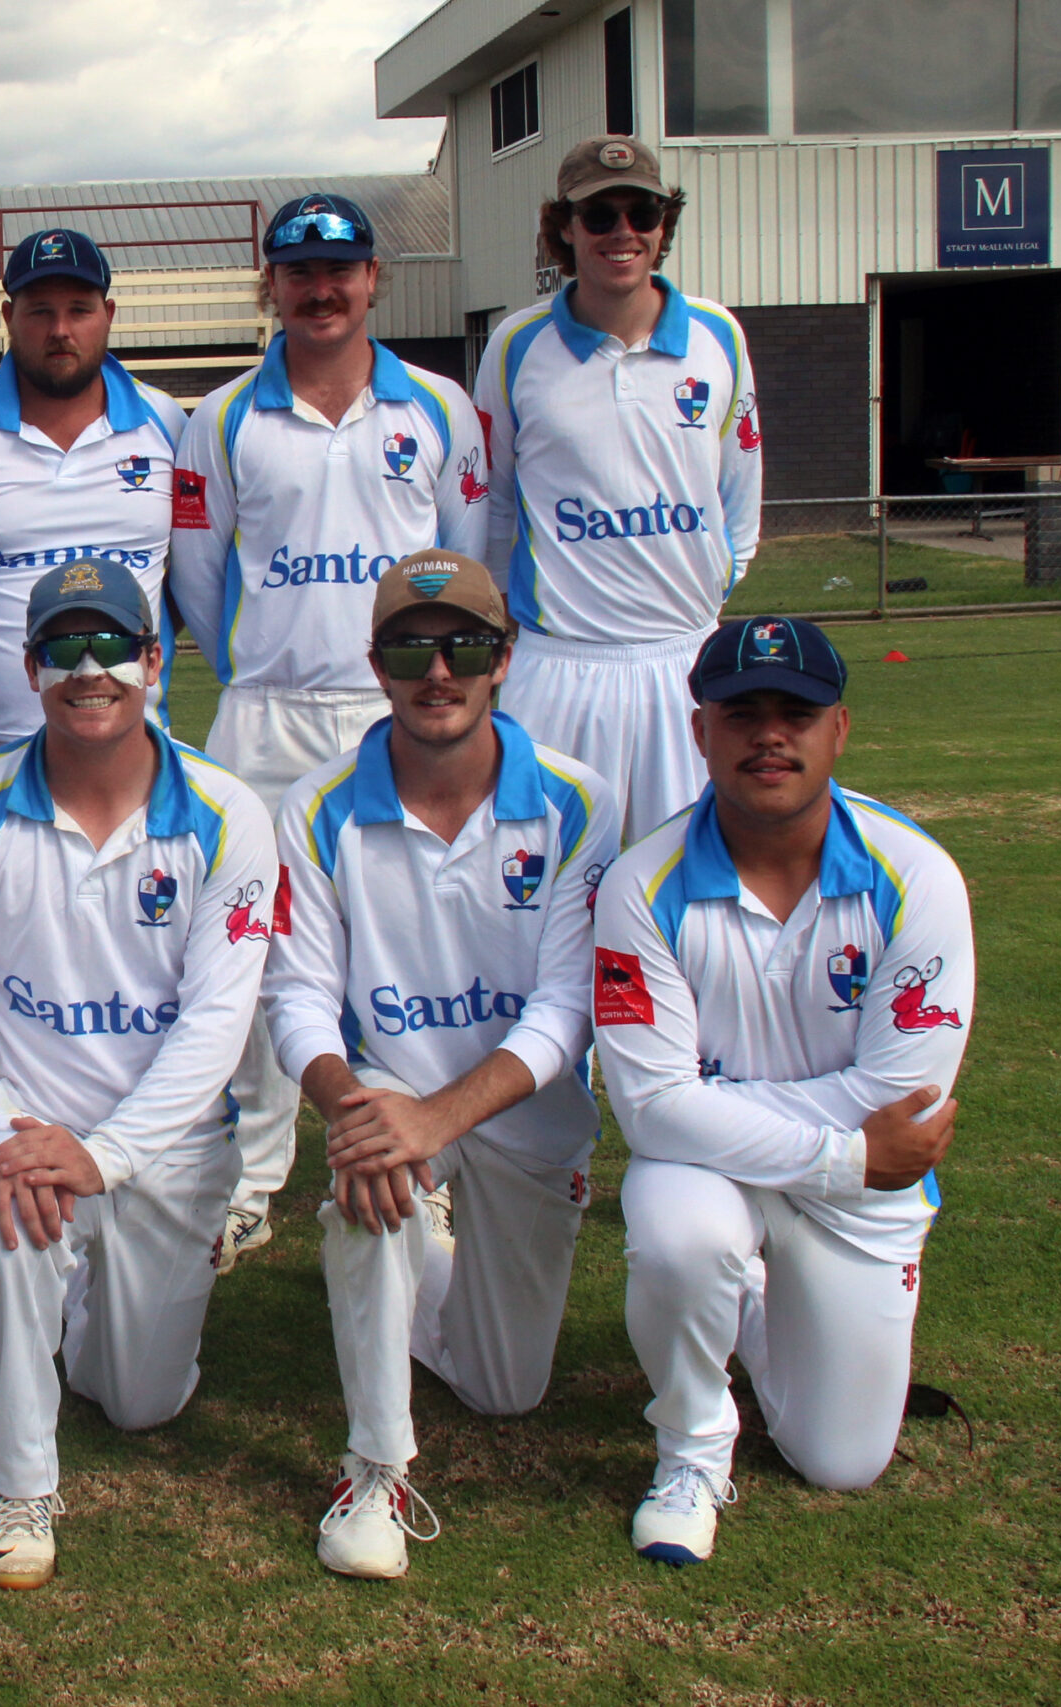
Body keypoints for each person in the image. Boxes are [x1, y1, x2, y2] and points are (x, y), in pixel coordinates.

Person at [0, 559, 276, 1591]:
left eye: (112, 644)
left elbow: (218, 1018)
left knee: (142, 1401)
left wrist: (104, 1155)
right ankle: (20, 1480)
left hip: (164, 1152)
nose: (89, 668)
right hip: (22, 1135)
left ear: (155, 661)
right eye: (63, 648)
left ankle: (89, 1314)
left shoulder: (231, 811)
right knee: (2, 1229)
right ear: (29, 669)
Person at [265, 552, 616, 1580]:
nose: (438, 672)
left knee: (507, 1390)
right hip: (391, 1099)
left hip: (520, 1118)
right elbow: (294, 999)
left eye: (464, 645)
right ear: (374, 664)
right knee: (371, 1168)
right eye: (411, 647)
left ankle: (413, 1254)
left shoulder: (576, 802)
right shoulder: (317, 807)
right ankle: (375, 1469)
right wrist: (354, 1108)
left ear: (503, 658)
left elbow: (565, 1011)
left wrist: (439, 1120)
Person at [594, 617, 971, 1567]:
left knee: (840, 1460)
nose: (771, 734)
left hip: (855, 1197)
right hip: (790, 1168)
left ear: (838, 729)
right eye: (743, 711)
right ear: (700, 731)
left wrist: (714, 1105)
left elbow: (905, 1096)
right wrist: (843, 1148)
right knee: (681, 1234)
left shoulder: (916, 875)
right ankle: (690, 1450)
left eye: (795, 713)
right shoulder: (643, 884)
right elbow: (647, 1109)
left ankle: (757, 1308)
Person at [169, 191, 490, 1270]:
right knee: (254, 952)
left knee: (395, 940)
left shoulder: (437, 407)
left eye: (341, 269)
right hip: (264, 712)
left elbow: (463, 566)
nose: (321, 289)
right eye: (299, 272)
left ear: (371, 281)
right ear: (271, 283)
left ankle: (419, 1161)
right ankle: (251, 1178)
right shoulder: (218, 419)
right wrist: (268, 663)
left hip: (393, 705)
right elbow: (202, 576)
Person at [474, 135, 764, 846]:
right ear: (565, 228)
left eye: (643, 211)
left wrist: (703, 597)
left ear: (665, 224)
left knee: (684, 887)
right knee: (545, 891)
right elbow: (495, 506)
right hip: (560, 664)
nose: (623, 232)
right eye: (599, 215)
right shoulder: (517, 346)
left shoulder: (717, 335)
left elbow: (740, 496)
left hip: (684, 660)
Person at [0, 226, 188, 760]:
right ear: (8, 318)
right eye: (40, 310)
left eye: (79, 310)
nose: (60, 330)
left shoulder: (166, 423)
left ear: (109, 314)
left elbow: (188, 581)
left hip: (132, 741)